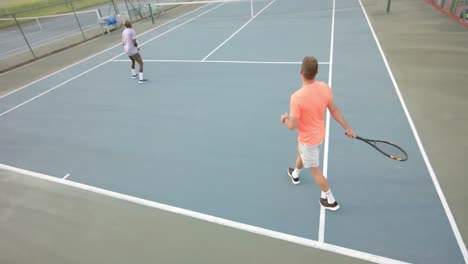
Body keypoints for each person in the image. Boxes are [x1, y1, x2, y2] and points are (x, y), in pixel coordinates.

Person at [280, 56, 356, 211]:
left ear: (301, 72)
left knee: (315, 170)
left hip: (308, 139)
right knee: (301, 152)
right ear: (317, 72)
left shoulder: (296, 98)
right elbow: (334, 110)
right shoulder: (325, 88)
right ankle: (295, 174)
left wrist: (284, 119)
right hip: (319, 135)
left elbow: (292, 126)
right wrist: (347, 128)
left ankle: (330, 200)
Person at [122, 20, 147, 84]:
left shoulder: (124, 31)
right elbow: (134, 42)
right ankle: (141, 80)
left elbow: (123, 42)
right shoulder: (132, 31)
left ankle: (134, 75)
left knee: (133, 61)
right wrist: (137, 47)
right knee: (141, 63)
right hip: (132, 50)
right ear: (130, 24)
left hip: (126, 49)